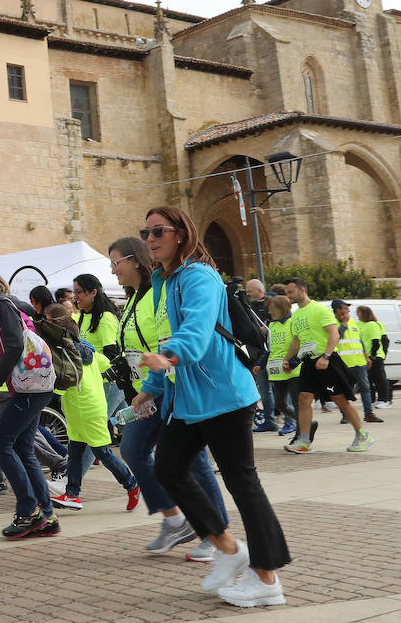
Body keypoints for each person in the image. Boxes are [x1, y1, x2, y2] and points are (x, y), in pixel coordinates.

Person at [132, 205, 290, 608]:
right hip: (189, 400)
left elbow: (196, 330)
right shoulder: (163, 282)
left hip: (224, 396)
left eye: (158, 231)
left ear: (181, 234)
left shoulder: (200, 276)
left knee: (243, 484)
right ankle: (227, 547)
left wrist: (170, 357)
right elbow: (166, 337)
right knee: (167, 467)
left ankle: (266, 579)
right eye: (146, 233)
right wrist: (151, 386)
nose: (150, 239)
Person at [109, 236, 228, 560]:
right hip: (148, 391)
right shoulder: (133, 299)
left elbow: (165, 343)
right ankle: (175, 519)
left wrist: (152, 386)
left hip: (169, 388)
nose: (112, 270)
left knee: (195, 461)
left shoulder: (155, 298)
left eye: (115, 262)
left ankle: (215, 532)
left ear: (134, 260)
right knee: (133, 449)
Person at [0, 266, 62, 541]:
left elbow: (15, 345)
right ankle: (47, 515)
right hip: (33, 386)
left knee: (0, 444)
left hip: (30, 387)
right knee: (21, 448)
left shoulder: (1, 305)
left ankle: (30, 512)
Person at [41, 303, 139, 513]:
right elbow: (106, 363)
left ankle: (131, 484)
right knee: (75, 452)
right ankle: (72, 494)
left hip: (86, 410)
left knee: (103, 453)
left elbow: (63, 381)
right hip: (81, 410)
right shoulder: (87, 351)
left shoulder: (67, 355)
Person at [280, 277, 372, 452]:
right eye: (286, 293)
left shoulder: (319, 310)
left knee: (340, 400)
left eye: (290, 292)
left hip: (327, 361)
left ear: (302, 290)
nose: (288, 295)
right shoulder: (296, 315)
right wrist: (287, 359)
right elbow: (297, 341)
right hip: (308, 362)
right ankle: (304, 441)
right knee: (303, 399)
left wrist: (326, 357)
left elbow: (334, 335)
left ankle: (362, 436)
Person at [72, 274, 125, 417]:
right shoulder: (83, 317)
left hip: (108, 381)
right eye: (74, 292)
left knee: (96, 424)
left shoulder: (105, 318)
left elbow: (112, 354)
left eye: (79, 292)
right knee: (125, 424)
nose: (75, 296)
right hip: (97, 382)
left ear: (93, 292)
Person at [332, 301, 381, 424]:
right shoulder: (332, 323)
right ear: (337, 310)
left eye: (348, 310)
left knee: (365, 388)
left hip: (359, 362)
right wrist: (343, 324)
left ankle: (369, 413)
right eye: (345, 309)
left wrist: (366, 357)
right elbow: (336, 337)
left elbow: (360, 341)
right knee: (344, 391)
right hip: (344, 364)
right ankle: (346, 415)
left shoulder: (353, 322)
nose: (348, 312)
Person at [264, 296, 300, 435]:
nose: (269, 312)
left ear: (281, 309)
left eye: (272, 309)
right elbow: (270, 349)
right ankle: (305, 422)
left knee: (297, 404)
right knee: (280, 404)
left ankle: (301, 433)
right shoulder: (271, 326)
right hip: (277, 372)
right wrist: (260, 365)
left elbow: (301, 347)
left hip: (293, 371)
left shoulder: (293, 323)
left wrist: (292, 363)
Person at [358, 305, 392, 408]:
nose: (357, 315)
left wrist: (373, 356)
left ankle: (384, 399)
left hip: (374, 356)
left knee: (379, 379)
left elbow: (377, 341)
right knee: (368, 380)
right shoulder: (360, 325)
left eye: (358, 313)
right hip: (365, 357)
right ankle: (373, 399)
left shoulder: (373, 325)